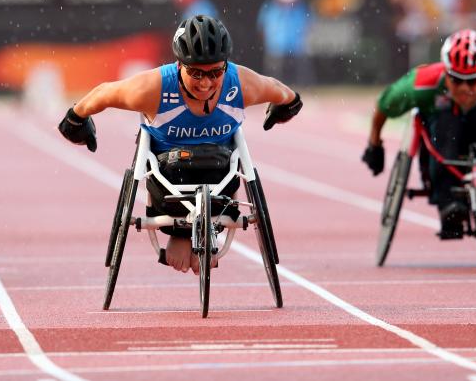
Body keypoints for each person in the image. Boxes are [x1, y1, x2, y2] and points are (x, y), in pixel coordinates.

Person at [58, 14, 303, 274]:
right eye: (196, 73)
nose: (206, 83)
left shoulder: (242, 84)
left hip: (220, 180)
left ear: (226, 65)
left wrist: (282, 111)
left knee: (221, 164)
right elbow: (103, 94)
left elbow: (285, 95)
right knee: (175, 166)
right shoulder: (153, 88)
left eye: (215, 72)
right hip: (168, 183)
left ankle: (200, 232)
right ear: (179, 65)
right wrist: (76, 124)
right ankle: (179, 232)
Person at [361, 29, 476, 239]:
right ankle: (448, 203)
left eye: (471, 81)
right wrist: (375, 144)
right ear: (446, 72)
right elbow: (384, 105)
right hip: (441, 133)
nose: (463, 88)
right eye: (456, 79)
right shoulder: (422, 82)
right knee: (446, 123)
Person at [256, 0, 315, 86]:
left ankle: (303, 88)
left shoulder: (301, 8)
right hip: (276, 46)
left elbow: (309, 25)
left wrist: (303, 39)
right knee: (274, 71)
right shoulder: (270, 8)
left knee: (301, 71)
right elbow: (262, 27)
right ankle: (273, 88)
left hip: (297, 46)